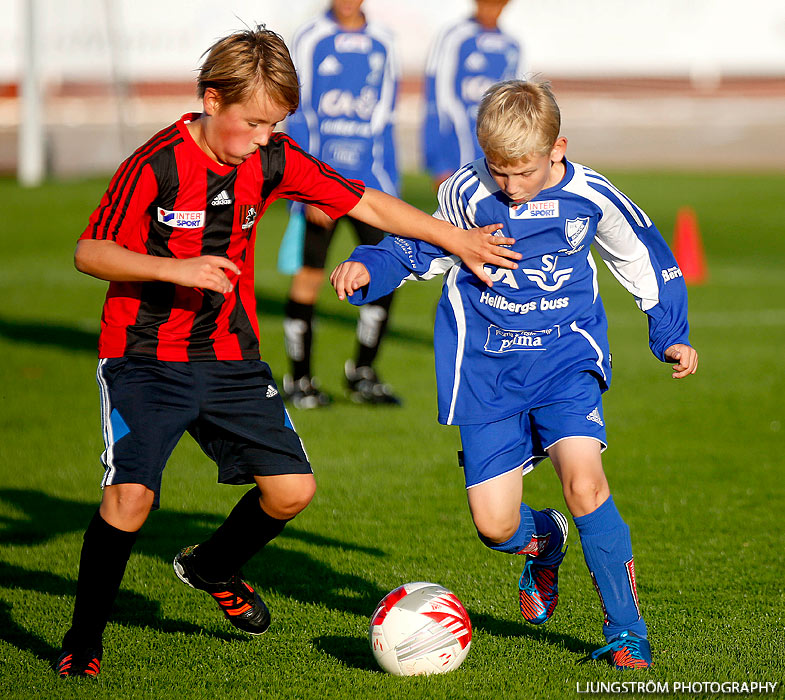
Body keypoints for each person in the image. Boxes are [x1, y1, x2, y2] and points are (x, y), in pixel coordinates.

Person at [56, 26, 521, 679]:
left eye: (274, 124)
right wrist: (177, 272)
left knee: (292, 491)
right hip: (144, 357)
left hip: (228, 356)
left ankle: (213, 565)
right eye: (252, 122)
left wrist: (454, 238)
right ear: (211, 99)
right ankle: (82, 642)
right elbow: (90, 252)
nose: (263, 138)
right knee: (130, 501)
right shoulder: (155, 165)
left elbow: (360, 198)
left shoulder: (269, 158)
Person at [331, 80, 699, 670]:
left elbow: (643, 253)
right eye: (497, 170)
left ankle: (627, 632)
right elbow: (416, 246)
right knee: (494, 525)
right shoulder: (467, 191)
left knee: (586, 484)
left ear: (558, 148)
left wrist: (670, 332)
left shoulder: (591, 195)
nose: (509, 186)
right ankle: (545, 538)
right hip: (485, 370)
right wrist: (367, 265)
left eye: (521, 172)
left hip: (564, 358)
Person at [278, 0, 402, 408]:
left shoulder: (384, 40)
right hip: (322, 183)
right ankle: (298, 379)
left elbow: (385, 117)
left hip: (368, 183)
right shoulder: (311, 38)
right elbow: (298, 114)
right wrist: (307, 186)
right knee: (309, 275)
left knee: (387, 271)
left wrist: (390, 186)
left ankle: (363, 373)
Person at [422, 0, 524, 188]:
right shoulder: (454, 37)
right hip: (457, 146)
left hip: (495, 148)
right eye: (486, 4)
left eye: (497, 4)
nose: (491, 10)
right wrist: (438, 159)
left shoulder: (513, 46)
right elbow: (436, 98)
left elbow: (519, 104)